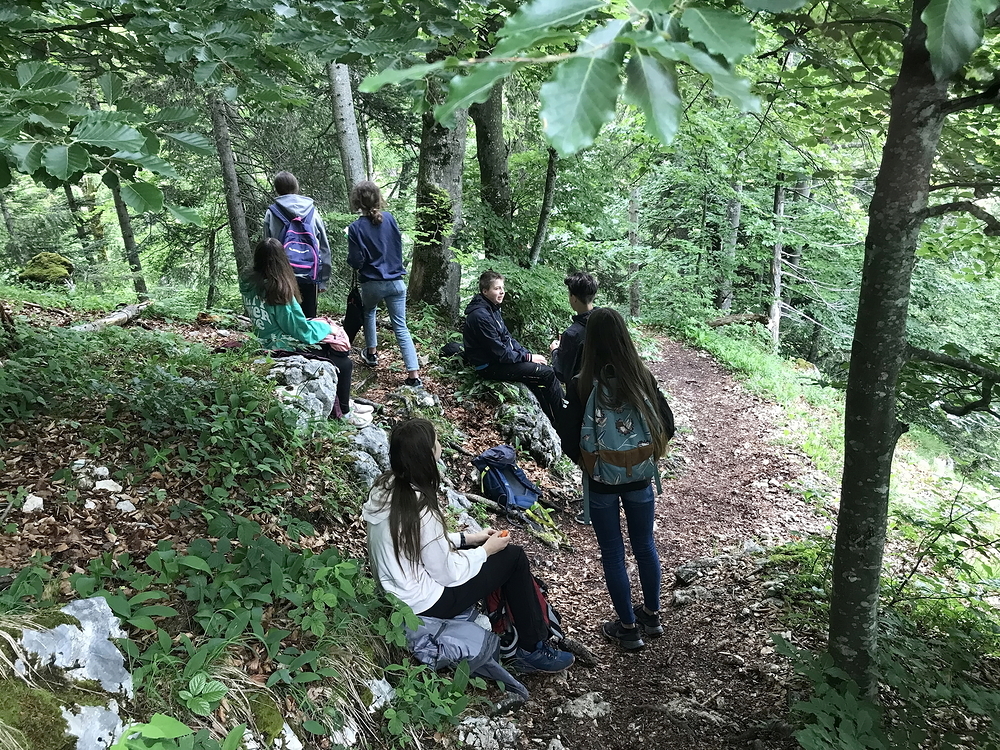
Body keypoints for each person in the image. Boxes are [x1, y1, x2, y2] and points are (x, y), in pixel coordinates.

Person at [364, 419, 575, 674]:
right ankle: (532, 649)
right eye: (436, 443)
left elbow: (416, 544)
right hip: (425, 604)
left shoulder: (385, 489)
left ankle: (508, 626)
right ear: (427, 456)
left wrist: (468, 539)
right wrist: (486, 551)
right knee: (513, 557)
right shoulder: (421, 510)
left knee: (492, 556)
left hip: (396, 595)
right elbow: (447, 573)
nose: (440, 446)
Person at [559, 308, 672, 652]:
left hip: (601, 482)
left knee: (612, 552)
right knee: (645, 546)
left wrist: (590, 463)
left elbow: (568, 437)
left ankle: (628, 628)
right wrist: (643, 456)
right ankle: (652, 615)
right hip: (639, 478)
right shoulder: (641, 377)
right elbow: (667, 425)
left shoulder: (582, 384)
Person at [241, 238, 372, 428]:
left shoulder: (249, 285)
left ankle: (345, 402)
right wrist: (329, 328)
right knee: (343, 361)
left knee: (336, 354)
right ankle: (344, 412)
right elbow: (299, 330)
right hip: (282, 346)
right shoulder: (278, 291)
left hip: (263, 341)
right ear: (282, 261)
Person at [346, 180, 422, 388]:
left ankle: (371, 353)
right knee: (401, 327)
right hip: (396, 282)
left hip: (372, 283)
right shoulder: (389, 219)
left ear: (357, 202)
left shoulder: (355, 228)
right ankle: (414, 375)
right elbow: (396, 246)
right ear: (378, 198)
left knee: (369, 312)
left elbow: (356, 261)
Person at [462, 271, 564, 424]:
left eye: (502, 288)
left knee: (538, 381)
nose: (502, 292)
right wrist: (528, 358)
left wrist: (527, 355)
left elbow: (508, 339)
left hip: (499, 361)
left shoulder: (492, 309)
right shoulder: (480, 316)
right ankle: (566, 420)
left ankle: (555, 422)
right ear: (485, 291)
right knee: (547, 374)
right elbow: (499, 353)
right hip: (489, 367)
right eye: (497, 288)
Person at [263, 171, 332, 319]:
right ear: (296, 187)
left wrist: (267, 278)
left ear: (277, 189)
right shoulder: (313, 212)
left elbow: (267, 249)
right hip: (309, 274)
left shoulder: (271, 213)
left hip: (282, 276)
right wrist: (323, 280)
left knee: (286, 319)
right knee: (309, 319)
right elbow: (324, 247)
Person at [549, 271, 598, 386]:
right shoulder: (608, 321)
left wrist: (555, 351)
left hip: (581, 393)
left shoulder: (572, 334)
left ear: (574, 298)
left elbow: (562, 373)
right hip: (610, 389)